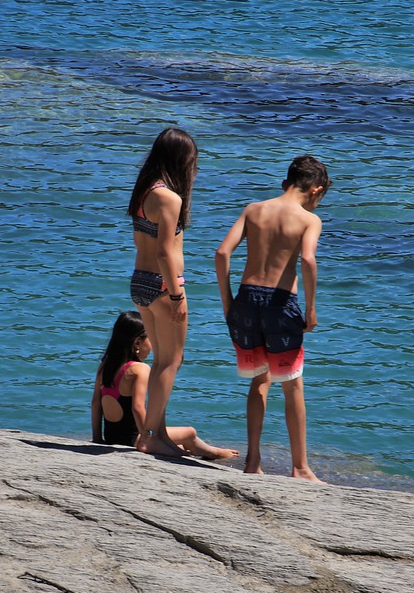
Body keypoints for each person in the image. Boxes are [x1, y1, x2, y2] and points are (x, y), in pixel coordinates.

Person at [214, 155, 331, 482]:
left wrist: (227, 302)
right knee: (293, 386)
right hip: (281, 302)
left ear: (285, 183)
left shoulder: (254, 209)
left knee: (259, 380)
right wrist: (309, 309)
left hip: (246, 300)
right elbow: (307, 260)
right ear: (316, 190)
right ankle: (300, 467)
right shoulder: (309, 220)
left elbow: (222, 253)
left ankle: (253, 461)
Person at [127, 127, 197, 457]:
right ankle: (150, 436)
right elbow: (165, 252)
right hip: (163, 284)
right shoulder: (170, 197)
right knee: (171, 360)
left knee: (159, 362)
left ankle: (160, 433)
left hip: (139, 281)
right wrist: (176, 296)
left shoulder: (144, 191)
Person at [91, 310, 238, 460]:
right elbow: (137, 408)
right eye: (151, 339)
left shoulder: (104, 367)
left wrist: (97, 438)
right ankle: (214, 453)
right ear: (137, 342)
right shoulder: (139, 369)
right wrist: (146, 438)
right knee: (190, 433)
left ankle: (192, 450)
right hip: (134, 438)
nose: (153, 345)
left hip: (111, 437)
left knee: (178, 446)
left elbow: (96, 403)